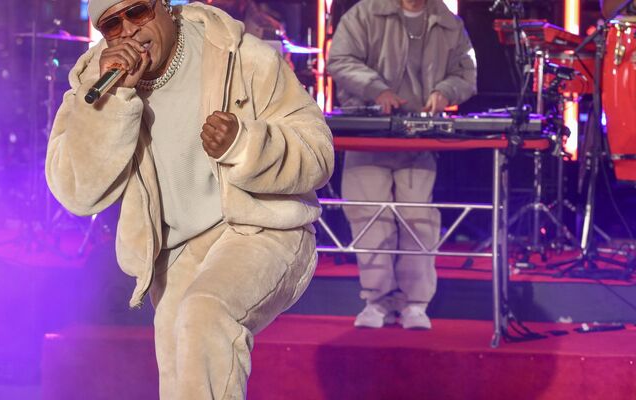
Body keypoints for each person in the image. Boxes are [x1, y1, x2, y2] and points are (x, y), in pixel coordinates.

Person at [45, 0, 334, 398]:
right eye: (112, 24)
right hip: (181, 250)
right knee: (179, 360)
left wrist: (245, 145)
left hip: (262, 226)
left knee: (205, 311)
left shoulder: (238, 54)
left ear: (164, 6)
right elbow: (77, 193)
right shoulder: (96, 85)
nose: (127, 29)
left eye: (137, 12)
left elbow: (317, 152)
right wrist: (112, 106)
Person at [327, 0, 476, 330]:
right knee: (369, 217)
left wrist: (444, 91)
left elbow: (466, 73)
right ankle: (377, 301)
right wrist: (376, 89)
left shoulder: (448, 23)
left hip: (419, 139)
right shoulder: (364, 14)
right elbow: (339, 60)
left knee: (417, 218)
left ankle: (415, 303)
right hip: (367, 136)